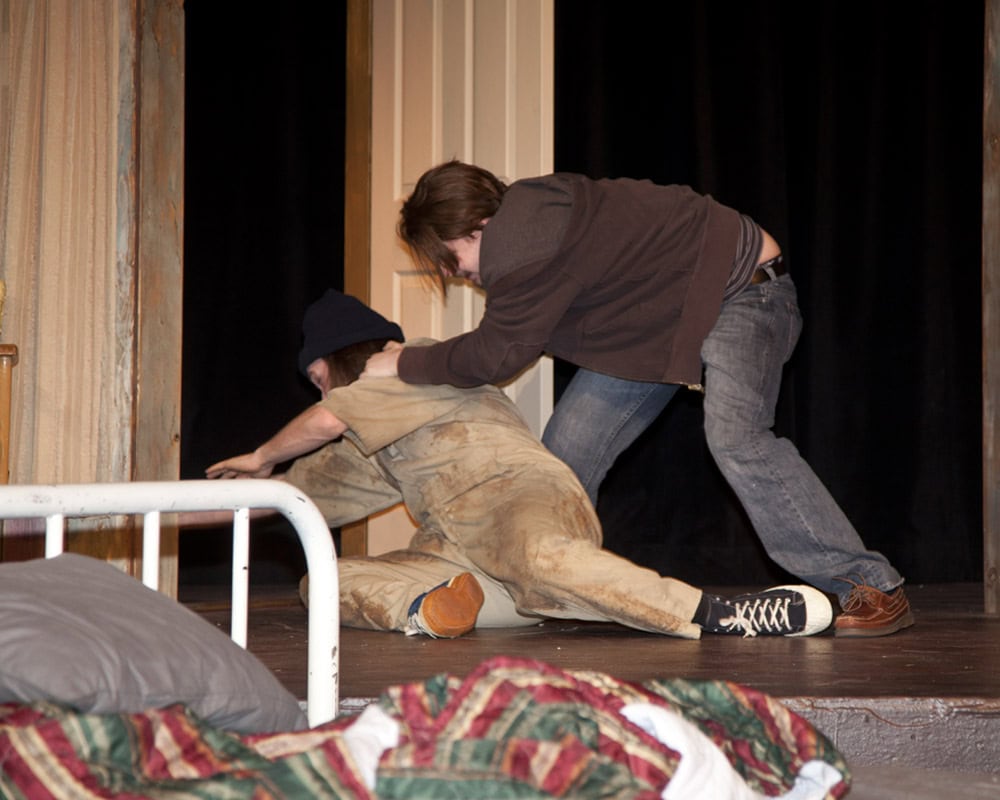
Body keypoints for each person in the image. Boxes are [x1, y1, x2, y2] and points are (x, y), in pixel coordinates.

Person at [363, 160, 913, 638]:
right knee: (564, 459)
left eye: (449, 256)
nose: (453, 273)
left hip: (745, 291)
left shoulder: (521, 239)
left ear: (478, 226)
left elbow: (495, 355)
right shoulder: (532, 215)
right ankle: (538, 587)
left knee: (737, 438)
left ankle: (869, 584)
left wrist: (402, 362)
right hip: (663, 326)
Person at [196, 288, 833, 640]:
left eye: (319, 377)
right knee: (323, 581)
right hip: (463, 560)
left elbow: (328, 420)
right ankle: (429, 608)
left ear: (349, 355)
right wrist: (177, 510)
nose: (319, 391)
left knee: (539, 559)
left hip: (520, 501)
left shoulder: (411, 365)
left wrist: (260, 456)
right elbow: (292, 498)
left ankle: (719, 614)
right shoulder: (373, 444)